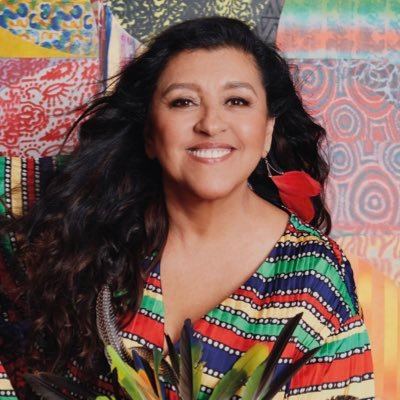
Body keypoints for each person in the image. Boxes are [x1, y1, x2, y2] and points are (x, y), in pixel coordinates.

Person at [0, 17, 374, 400]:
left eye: (237, 101)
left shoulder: (313, 277)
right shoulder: (87, 220)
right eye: (183, 102)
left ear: (266, 133)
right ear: (150, 134)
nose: (211, 124)